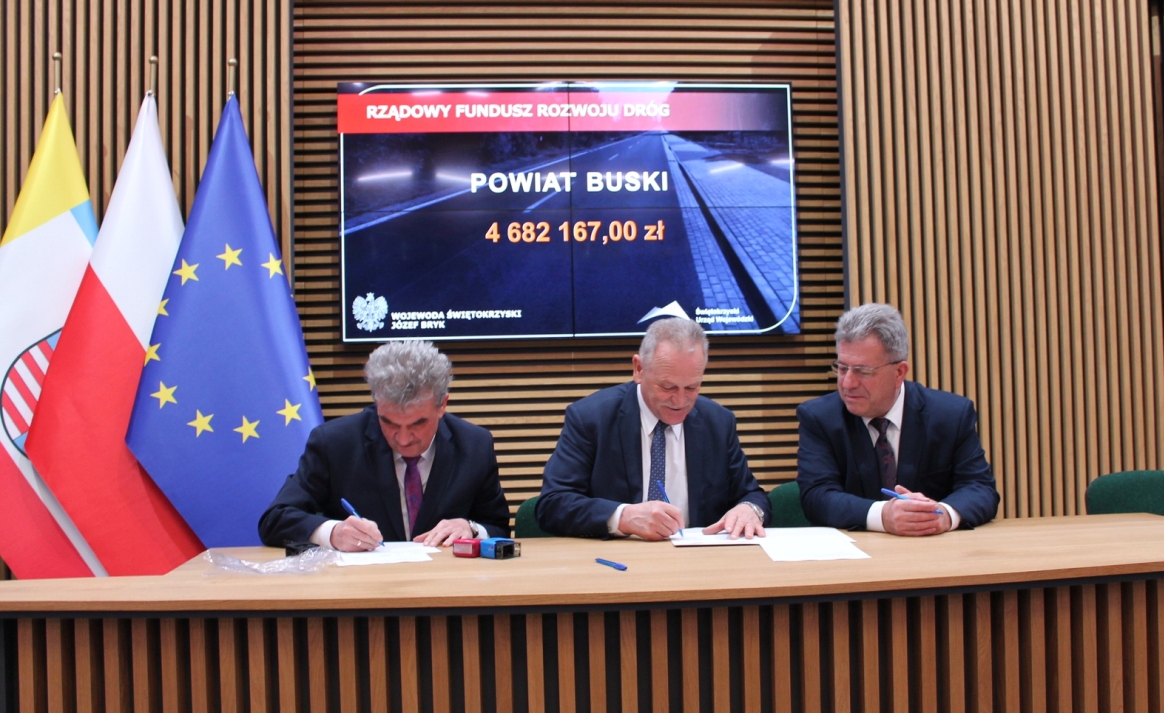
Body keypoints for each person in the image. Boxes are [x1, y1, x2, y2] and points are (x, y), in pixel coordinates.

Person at [259, 340, 510, 550]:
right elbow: (275, 520)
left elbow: (499, 527)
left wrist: (471, 528)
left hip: (448, 586)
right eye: (389, 422)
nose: (403, 439)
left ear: (442, 405)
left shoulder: (474, 445)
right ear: (377, 403)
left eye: (418, 423)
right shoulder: (335, 443)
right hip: (361, 589)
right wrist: (333, 533)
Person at [536, 317, 770, 540]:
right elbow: (552, 504)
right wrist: (623, 517)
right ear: (639, 369)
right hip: (616, 559)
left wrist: (749, 509)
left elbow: (752, 495)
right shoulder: (592, 418)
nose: (680, 401)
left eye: (691, 388)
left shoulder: (718, 423)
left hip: (697, 560)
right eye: (667, 387)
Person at [796, 303, 999, 534]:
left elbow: (980, 488)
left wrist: (943, 515)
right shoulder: (820, 418)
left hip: (935, 549)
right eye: (842, 368)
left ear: (899, 372)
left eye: (863, 371)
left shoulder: (951, 415)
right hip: (854, 551)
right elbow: (817, 497)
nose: (848, 383)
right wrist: (883, 515)